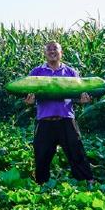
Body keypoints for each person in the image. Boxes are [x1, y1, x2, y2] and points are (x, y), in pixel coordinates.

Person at [25, 41, 94, 185]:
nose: (52, 51)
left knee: (77, 152)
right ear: (44, 53)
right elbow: (27, 94)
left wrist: (83, 99)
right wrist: (28, 100)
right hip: (45, 120)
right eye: (48, 49)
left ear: (61, 52)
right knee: (41, 155)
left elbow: (79, 93)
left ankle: (87, 181)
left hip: (66, 119)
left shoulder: (70, 72)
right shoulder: (36, 72)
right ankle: (41, 184)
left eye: (55, 48)